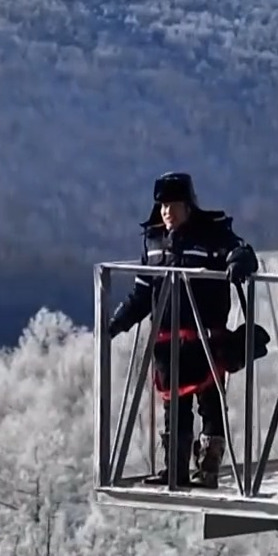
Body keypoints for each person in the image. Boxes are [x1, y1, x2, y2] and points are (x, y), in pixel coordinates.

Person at [106, 172, 259, 488]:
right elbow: (142, 293)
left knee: (210, 404)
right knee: (174, 406)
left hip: (207, 338)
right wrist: (117, 322)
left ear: (188, 206)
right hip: (166, 341)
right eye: (163, 206)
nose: (167, 212)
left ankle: (208, 470)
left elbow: (241, 251)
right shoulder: (153, 243)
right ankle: (175, 470)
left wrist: (239, 263)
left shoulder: (212, 234)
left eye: (173, 205)